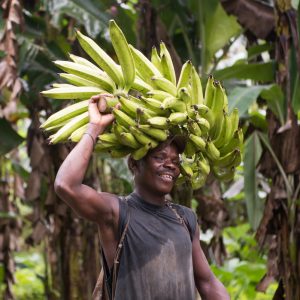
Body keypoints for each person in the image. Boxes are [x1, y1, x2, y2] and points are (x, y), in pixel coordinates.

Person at [54, 94, 230, 300]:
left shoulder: (185, 219)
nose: (170, 165)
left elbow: (207, 283)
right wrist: (95, 127)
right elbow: (65, 185)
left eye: (175, 160)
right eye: (160, 157)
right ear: (135, 164)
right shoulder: (117, 212)